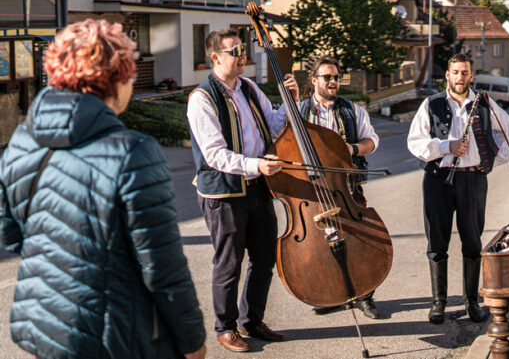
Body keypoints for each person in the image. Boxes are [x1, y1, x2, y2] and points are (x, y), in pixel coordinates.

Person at [0, 19, 206, 359]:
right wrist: (193, 341)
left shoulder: (20, 143)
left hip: (45, 327)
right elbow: (163, 266)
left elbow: (12, 237)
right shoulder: (133, 152)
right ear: (115, 78)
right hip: (115, 336)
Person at [187, 29, 298, 353]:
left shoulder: (248, 88)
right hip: (223, 193)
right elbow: (215, 155)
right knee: (229, 264)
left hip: (258, 186)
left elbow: (274, 126)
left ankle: (253, 321)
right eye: (234, 50)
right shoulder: (202, 98)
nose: (242, 54)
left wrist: (289, 101)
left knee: (264, 258)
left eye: (242, 48)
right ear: (216, 58)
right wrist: (256, 165)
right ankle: (225, 327)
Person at [407, 53, 509, 324]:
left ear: (471, 75)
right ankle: (438, 303)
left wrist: (491, 160)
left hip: (472, 180)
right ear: (447, 74)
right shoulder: (431, 104)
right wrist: (446, 147)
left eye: (465, 72)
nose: (460, 77)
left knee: (472, 242)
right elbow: (415, 142)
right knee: (437, 242)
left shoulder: (484, 103)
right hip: (437, 178)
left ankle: (471, 303)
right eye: (455, 72)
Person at [298, 55, 382, 319]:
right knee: (324, 244)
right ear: (313, 81)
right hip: (313, 190)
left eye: (336, 77)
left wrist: (352, 149)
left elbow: (372, 141)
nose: (333, 82)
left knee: (358, 240)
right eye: (327, 77)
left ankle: (365, 296)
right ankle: (333, 295)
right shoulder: (298, 110)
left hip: (348, 188)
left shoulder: (352, 110)